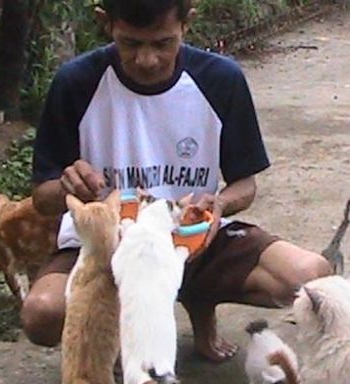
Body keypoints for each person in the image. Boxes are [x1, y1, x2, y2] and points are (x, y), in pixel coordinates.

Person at [23, 0, 331, 362]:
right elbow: (43, 199)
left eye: (162, 43)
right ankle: (116, 330)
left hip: (190, 239)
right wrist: (67, 187)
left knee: (313, 280)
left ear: (187, 24)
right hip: (105, 245)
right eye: (131, 44)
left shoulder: (220, 80)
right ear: (105, 24)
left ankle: (199, 298)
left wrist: (219, 204)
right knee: (42, 315)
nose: (147, 59)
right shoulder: (76, 84)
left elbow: (244, 185)